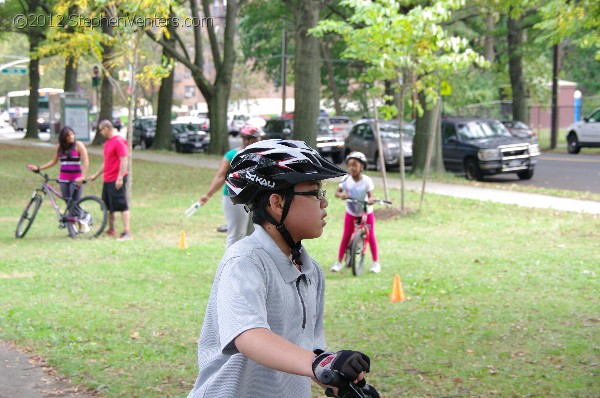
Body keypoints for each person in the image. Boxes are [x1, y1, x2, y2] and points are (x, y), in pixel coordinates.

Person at [187, 140, 379, 398]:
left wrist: (336, 374)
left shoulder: (312, 273)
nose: (324, 203)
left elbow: (307, 349)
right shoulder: (245, 260)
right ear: (277, 203)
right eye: (315, 193)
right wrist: (318, 365)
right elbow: (249, 335)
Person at [196, 124, 263, 248]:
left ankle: (249, 264)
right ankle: (230, 265)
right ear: (245, 139)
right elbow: (220, 176)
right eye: (254, 139)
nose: (258, 141)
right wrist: (208, 195)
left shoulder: (261, 156)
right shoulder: (232, 155)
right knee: (237, 234)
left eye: (258, 138)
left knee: (253, 234)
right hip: (235, 199)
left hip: (254, 198)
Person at [27, 126, 90, 230]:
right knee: (67, 201)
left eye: (72, 134)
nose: (71, 137)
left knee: (75, 201)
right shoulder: (59, 147)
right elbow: (53, 161)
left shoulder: (79, 145)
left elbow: (86, 162)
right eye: (68, 136)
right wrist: (39, 168)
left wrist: (83, 176)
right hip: (63, 179)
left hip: (76, 178)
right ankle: (73, 227)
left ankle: (83, 221)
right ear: (63, 137)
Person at [331, 151, 381, 273]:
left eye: (355, 165)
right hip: (351, 212)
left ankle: (375, 263)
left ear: (362, 166)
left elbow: (370, 197)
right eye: (350, 165)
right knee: (346, 235)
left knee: (370, 235)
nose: (352, 168)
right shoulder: (346, 179)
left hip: (365, 212)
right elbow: (337, 193)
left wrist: (370, 201)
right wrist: (341, 195)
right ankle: (339, 262)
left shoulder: (366, 181)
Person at [89, 119, 131, 240]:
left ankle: (126, 231)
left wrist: (120, 177)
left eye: (101, 130)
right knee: (109, 207)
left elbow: (124, 159)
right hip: (108, 179)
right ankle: (111, 229)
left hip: (117, 178)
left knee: (122, 205)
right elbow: (106, 162)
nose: (101, 133)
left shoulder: (119, 141)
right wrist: (96, 175)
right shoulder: (107, 144)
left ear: (107, 128)